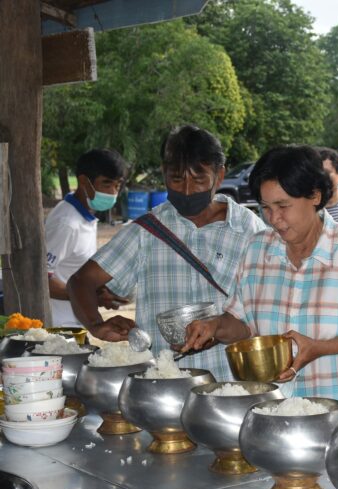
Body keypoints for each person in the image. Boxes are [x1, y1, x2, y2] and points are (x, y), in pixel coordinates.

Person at [182, 145, 338, 416]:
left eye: (283, 206)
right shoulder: (257, 249)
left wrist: (320, 348)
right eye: (266, 208)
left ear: (315, 195)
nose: (274, 219)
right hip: (277, 412)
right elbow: (242, 322)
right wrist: (215, 326)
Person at [67, 125, 266, 380]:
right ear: (164, 174)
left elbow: (266, 307)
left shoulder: (250, 230)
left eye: (199, 179)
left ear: (219, 176)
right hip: (163, 385)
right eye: (176, 178)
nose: (186, 190)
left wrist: (222, 330)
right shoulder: (147, 230)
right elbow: (81, 281)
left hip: (233, 384)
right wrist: (95, 324)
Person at [45, 149, 129, 327]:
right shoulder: (67, 224)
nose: (113, 192)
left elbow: (73, 270)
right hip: (61, 327)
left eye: (117, 185)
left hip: (76, 324)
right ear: (84, 181)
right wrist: (88, 295)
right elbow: (42, 280)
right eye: (106, 184)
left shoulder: (85, 218)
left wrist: (99, 291)